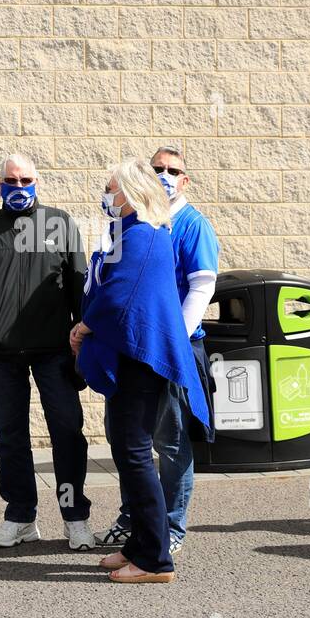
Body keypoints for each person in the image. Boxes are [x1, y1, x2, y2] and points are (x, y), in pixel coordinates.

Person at [72, 158, 211, 583]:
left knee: (136, 455)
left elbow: (118, 295)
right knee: (129, 453)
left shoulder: (141, 235)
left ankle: (155, 560)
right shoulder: (137, 233)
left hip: (141, 360)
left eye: (112, 188)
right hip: (137, 358)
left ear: (130, 194)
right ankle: (138, 545)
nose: (107, 195)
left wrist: (84, 325)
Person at [0, 153, 95, 550]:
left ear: (37, 182)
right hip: (0, 354)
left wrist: (82, 340)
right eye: (10, 181)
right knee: (10, 437)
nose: (18, 187)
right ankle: (21, 515)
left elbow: (80, 283)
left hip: (54, 352)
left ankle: (74, 516)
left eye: (25, 179)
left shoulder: (59, 224)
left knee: (66, 432)